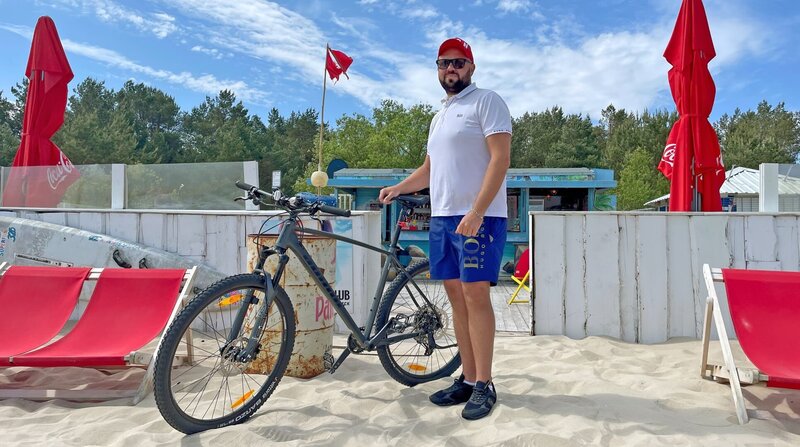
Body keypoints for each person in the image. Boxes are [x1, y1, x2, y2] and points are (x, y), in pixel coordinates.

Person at [378, 37, 512, 420]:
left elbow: (500, 160)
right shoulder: (439, 115)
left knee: (475, 297)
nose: (450, 69)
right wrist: (399, 187)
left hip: (478, 218)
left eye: (457, 62)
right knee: (454, 297)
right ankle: (467, 379)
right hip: (443, 217)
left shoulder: (487, 101)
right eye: (443, 63)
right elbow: (429, 169)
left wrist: (477, 211)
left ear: (470, 66)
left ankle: (485, 383)